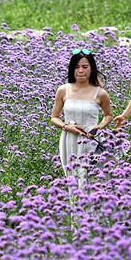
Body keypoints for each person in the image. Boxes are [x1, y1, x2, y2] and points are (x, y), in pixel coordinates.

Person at [50, 48, 113, 186]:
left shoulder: (100, 93)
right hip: (69, 139)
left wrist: (99, 127)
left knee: (89, 177)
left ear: (92, 69)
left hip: (90, 138)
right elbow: (54, 117)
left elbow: (108, 115)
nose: (80, 71)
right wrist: (67, 127)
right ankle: (75, 206)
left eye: (85, 67)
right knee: (72, 178)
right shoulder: (63, 90)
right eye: (77, 67)